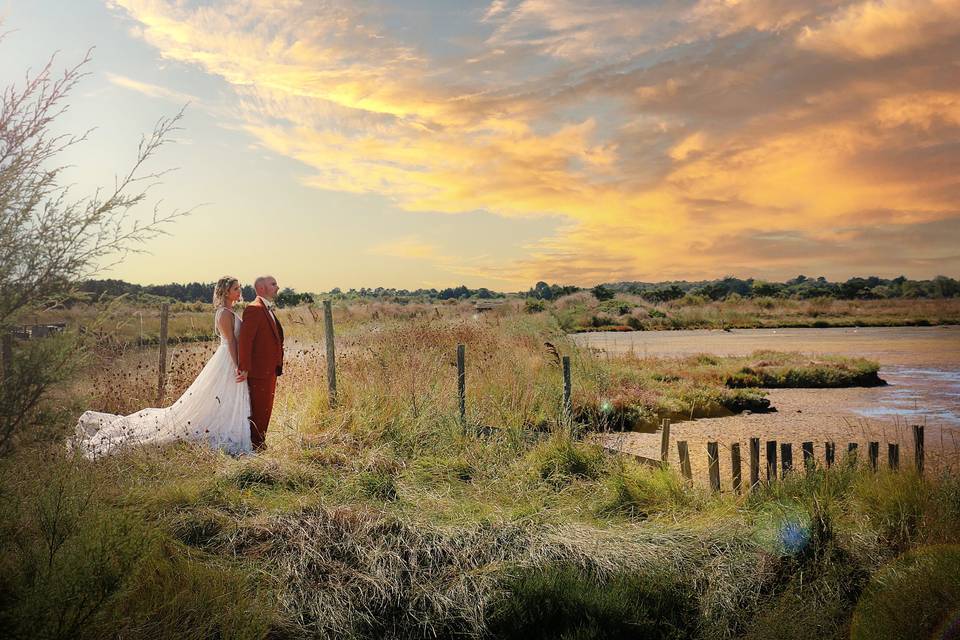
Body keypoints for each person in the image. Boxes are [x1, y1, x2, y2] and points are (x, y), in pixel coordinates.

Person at [72, 276, 253, 458]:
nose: (239, 291)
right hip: (227, 361)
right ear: (226, 291)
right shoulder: (224, 314)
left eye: (239, 288)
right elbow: (230, 342)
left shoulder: (230, 311)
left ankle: (228, 429)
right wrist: (238, 366)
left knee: (225, 398)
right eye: (236, 288)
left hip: (229, 359)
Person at [237, 275, 284, 451]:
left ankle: (259, 444)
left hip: (270, 369)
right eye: (273, 284)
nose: (277, 287)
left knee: (265, 410)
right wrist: (244, 368)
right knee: (259, 411)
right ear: (262, 288)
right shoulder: (254, 309)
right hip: (258, 371)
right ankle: (256, 447)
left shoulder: (267, 308)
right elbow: (245, 341)